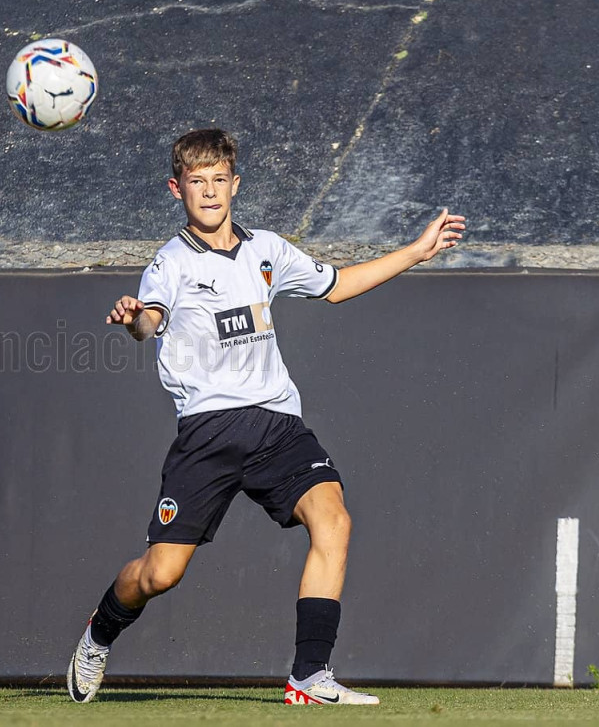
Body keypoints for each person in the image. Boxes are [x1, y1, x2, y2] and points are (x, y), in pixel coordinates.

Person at [66, 128, 465, 706]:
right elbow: (150, 320)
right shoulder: (171, 263)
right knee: (160, 575)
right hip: (209, 433)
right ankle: (100, 631)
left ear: (235, 184)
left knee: (334, 521)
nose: (209, 191)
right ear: (176, 189)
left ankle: (308, 676)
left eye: (219, 180)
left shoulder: (268, 250)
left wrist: (415, 252)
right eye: (196, 181)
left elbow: (337, 286)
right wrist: (134, 317)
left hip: (278, 424)